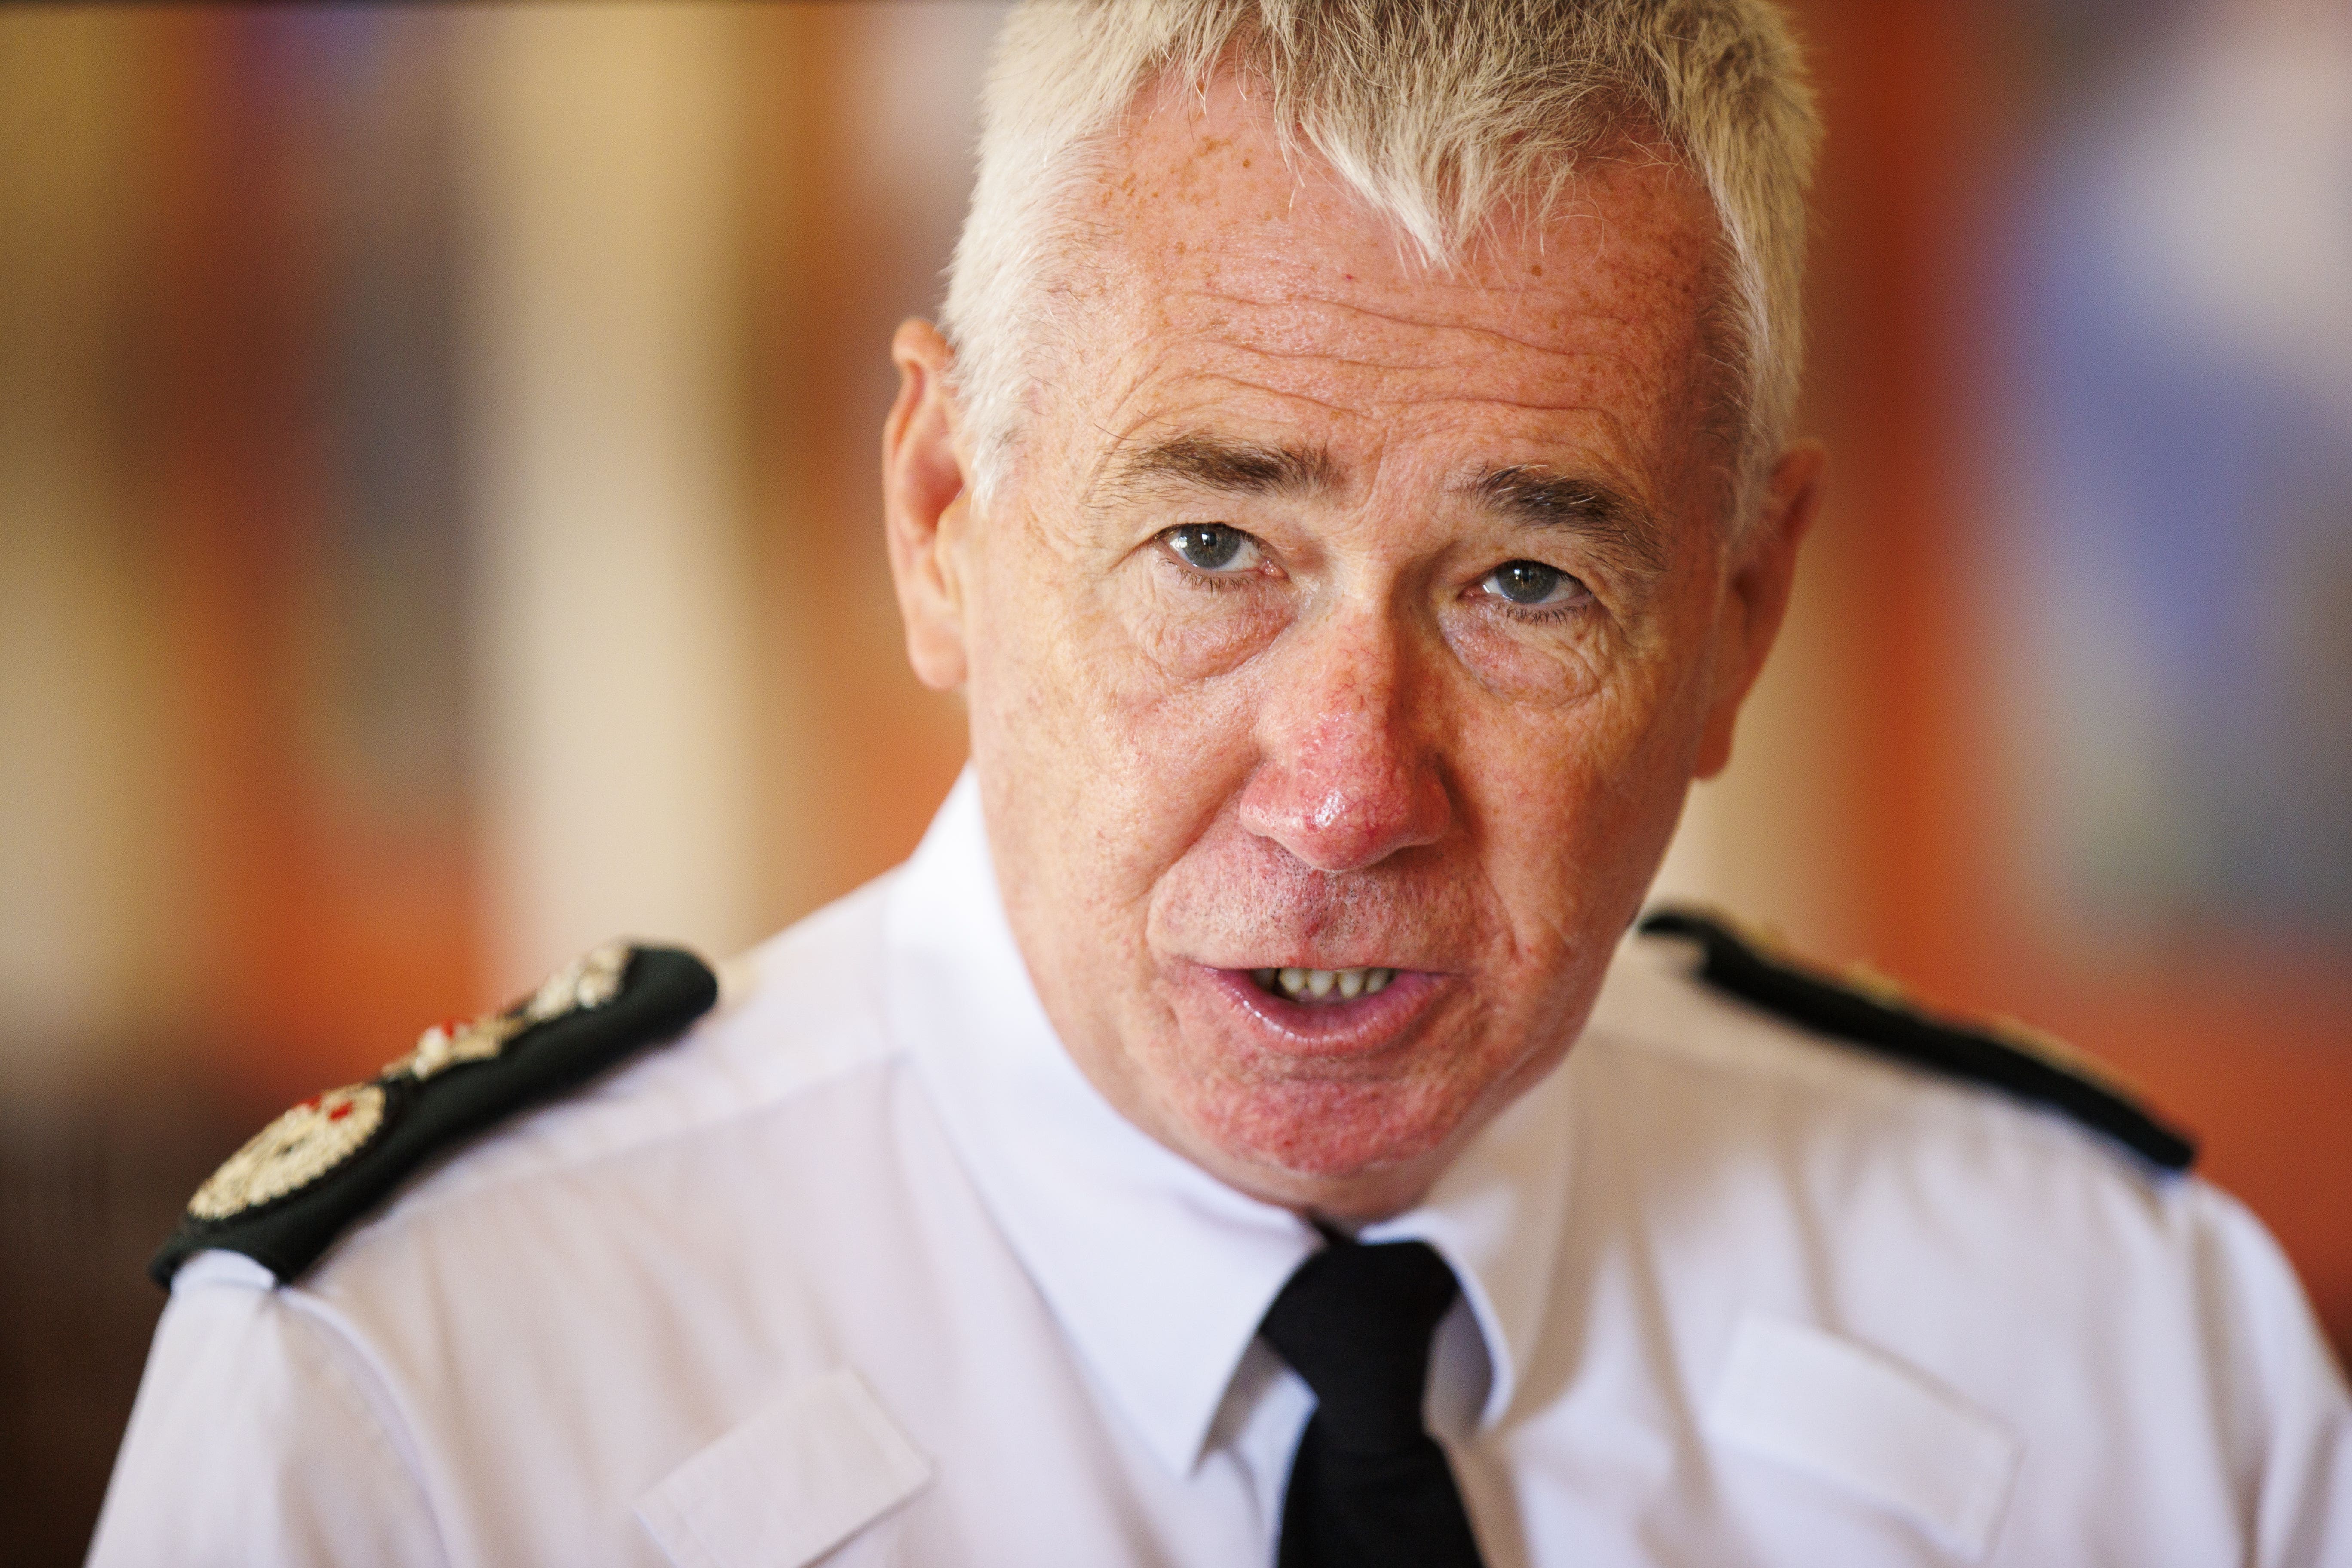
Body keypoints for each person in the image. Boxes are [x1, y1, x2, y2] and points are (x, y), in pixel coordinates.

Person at [89, 2, 2349, 1564]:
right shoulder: (415, 1397)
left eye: (1528, 584)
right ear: (948, 513)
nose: (1355, 790)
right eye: (1211, 547)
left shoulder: (2125, 1349)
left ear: (1739, 621)